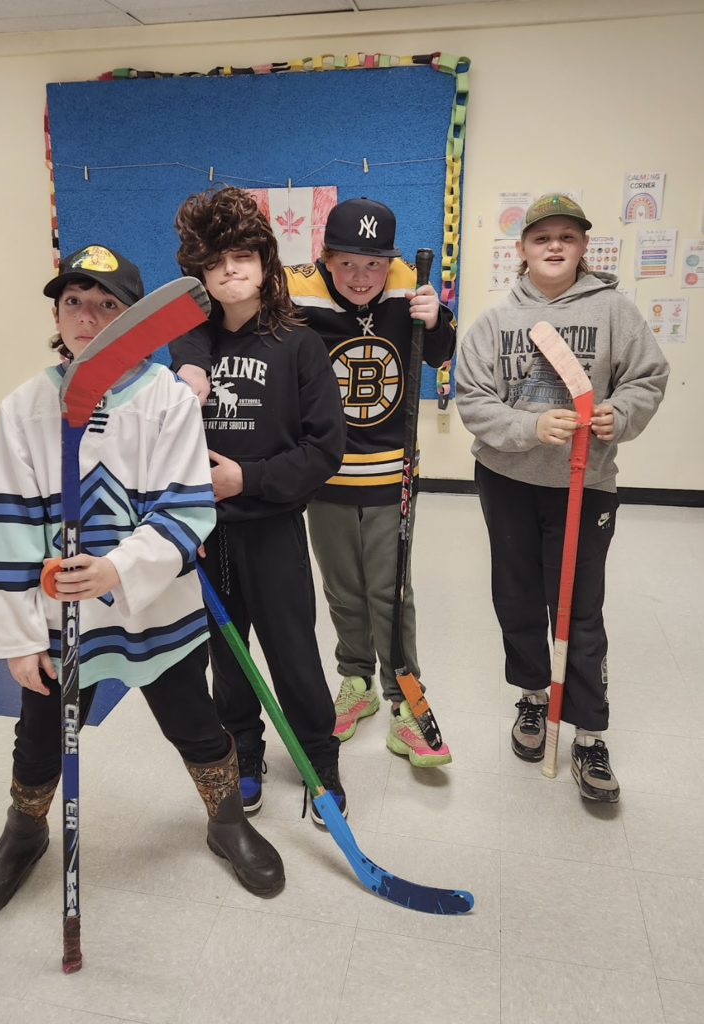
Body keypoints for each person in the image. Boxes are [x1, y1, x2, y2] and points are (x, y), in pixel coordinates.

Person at [0, 244, 285, 918]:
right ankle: (25, 833)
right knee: (40, 734)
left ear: (133, 319)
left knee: (195, 723)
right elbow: (14, 527)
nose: (89, 317)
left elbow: (189, 509)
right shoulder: (24, 408)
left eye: (108, 305)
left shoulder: (166, 400)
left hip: (155, 610)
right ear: (56, 310)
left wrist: (116, 568)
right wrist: (20, 638)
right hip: (61, 622)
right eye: (75, 301)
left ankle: (226, 820)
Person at [171, 197, 456, 767]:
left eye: (374, 264)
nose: (360, 276)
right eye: (346, 262)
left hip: (390, 470)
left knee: (391, 589)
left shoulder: (408, 284)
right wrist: (191, 359)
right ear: (322, 256)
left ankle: (406, 694)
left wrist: (438, 318)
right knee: (342, 588)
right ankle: (357, 680)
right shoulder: (289, 286)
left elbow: (440, 352)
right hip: (320, 475)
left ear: (392, 261)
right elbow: (208, 317)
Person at [456, 193, 669, 802]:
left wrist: (619, 413)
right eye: (541, 237)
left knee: (577, 606)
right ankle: (531, 698)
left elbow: (647, 377)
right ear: (521, 251)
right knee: (517, 594)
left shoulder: (613, 311)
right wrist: (527, 428)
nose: (554, 246)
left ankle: (589, 731)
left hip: (586, 483)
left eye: (567, 237)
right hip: (507, 480)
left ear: (583, 248)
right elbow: (472, 397)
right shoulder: (495, 321)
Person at [170, 187, 348, 825]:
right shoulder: (190, 345)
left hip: (271, 527)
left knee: (291, 648)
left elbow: (325, 449)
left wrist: (249, 478)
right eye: (214, 262)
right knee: (227, 650)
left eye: (243, 256)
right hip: (207, 532)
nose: (230, 271)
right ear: (199, 273)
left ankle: (318, 757)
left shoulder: (298, 344)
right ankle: (243, 749)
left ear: (267, 262)